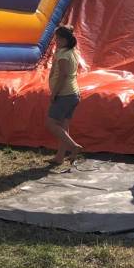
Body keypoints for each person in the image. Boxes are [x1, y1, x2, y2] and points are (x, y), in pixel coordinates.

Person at [46, 24, 83, 165]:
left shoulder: (62, 54)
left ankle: (74, 146)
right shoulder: (73, 51)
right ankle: (59, 157)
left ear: (66, 40)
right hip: (73, 94)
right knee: (64, 127)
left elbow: (63, 75)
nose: (56, 41)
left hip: (64, 95)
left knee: (51, 124)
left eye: (58, 39)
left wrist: (54, 93)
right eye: (56, 39)